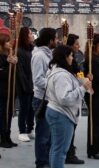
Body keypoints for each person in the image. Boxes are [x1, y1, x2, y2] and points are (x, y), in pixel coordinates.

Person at [45, 45, 91, 168]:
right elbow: (64, 98)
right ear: (65, 57)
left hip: (59, 113)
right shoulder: (62, 75)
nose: (72, 58)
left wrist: (83, 81)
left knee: (56, 148)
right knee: (60, 150)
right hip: (61, 114)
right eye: (70, 55)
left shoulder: (61, 71)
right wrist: (82, 89)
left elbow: (77, 78)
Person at [31, 28, 58, 168]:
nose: (57, 40)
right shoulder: (39, 56)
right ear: (50, 40)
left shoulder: (48, 54)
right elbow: (37, 80)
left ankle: (47, 161)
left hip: (50, 99)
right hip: (41, 99)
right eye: (56, 38)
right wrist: (54, 83)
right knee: (42, 135)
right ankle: (42, 163)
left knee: (49, 136)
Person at [64, 34, 85, 164]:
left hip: (76, 95)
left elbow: (78, 72)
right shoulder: (66, 62)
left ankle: (70, 150)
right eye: (76, 44)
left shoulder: (74, 60)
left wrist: (83, 79)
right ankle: (68, 153)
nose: (78, 46)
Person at [0, 25, 18, 148]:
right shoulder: (2, 57)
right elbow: (2, 74)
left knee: (9, 114)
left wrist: (14, 63)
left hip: (11, 90)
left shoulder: (10, 54)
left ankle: (8, 136)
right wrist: (8, 64)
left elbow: (15, 74)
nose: (9, 43)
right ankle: (3, 138)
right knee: (2, 115)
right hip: (1, 91)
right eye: (7, 42)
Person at [16, 27, 35, 142]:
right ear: (25, 36)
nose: (32, 35)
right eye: (30, 33)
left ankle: (30, 129)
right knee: (24, 108)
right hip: (24, 85)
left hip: (33, 84)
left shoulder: (32, 49)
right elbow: (20, 71)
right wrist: (26, 86)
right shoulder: (19, 51)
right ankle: (22, 131)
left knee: (31, 109)